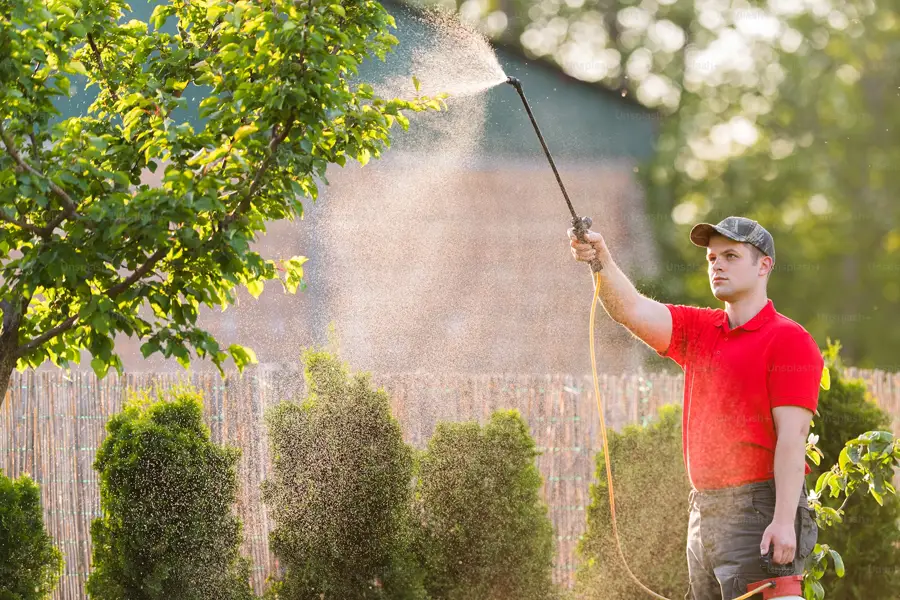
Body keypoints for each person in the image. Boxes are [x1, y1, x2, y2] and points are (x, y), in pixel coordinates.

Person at [569, 216, 821, 600]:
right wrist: (599, 259)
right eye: (712, 258)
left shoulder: (789, 340)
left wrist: (784, 521)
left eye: (731, 256)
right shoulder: (699, 329)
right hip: (702, 511)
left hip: (758, 511)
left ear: (764, 265)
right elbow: (631, 310)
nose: (717, 264)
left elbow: (793, 436)